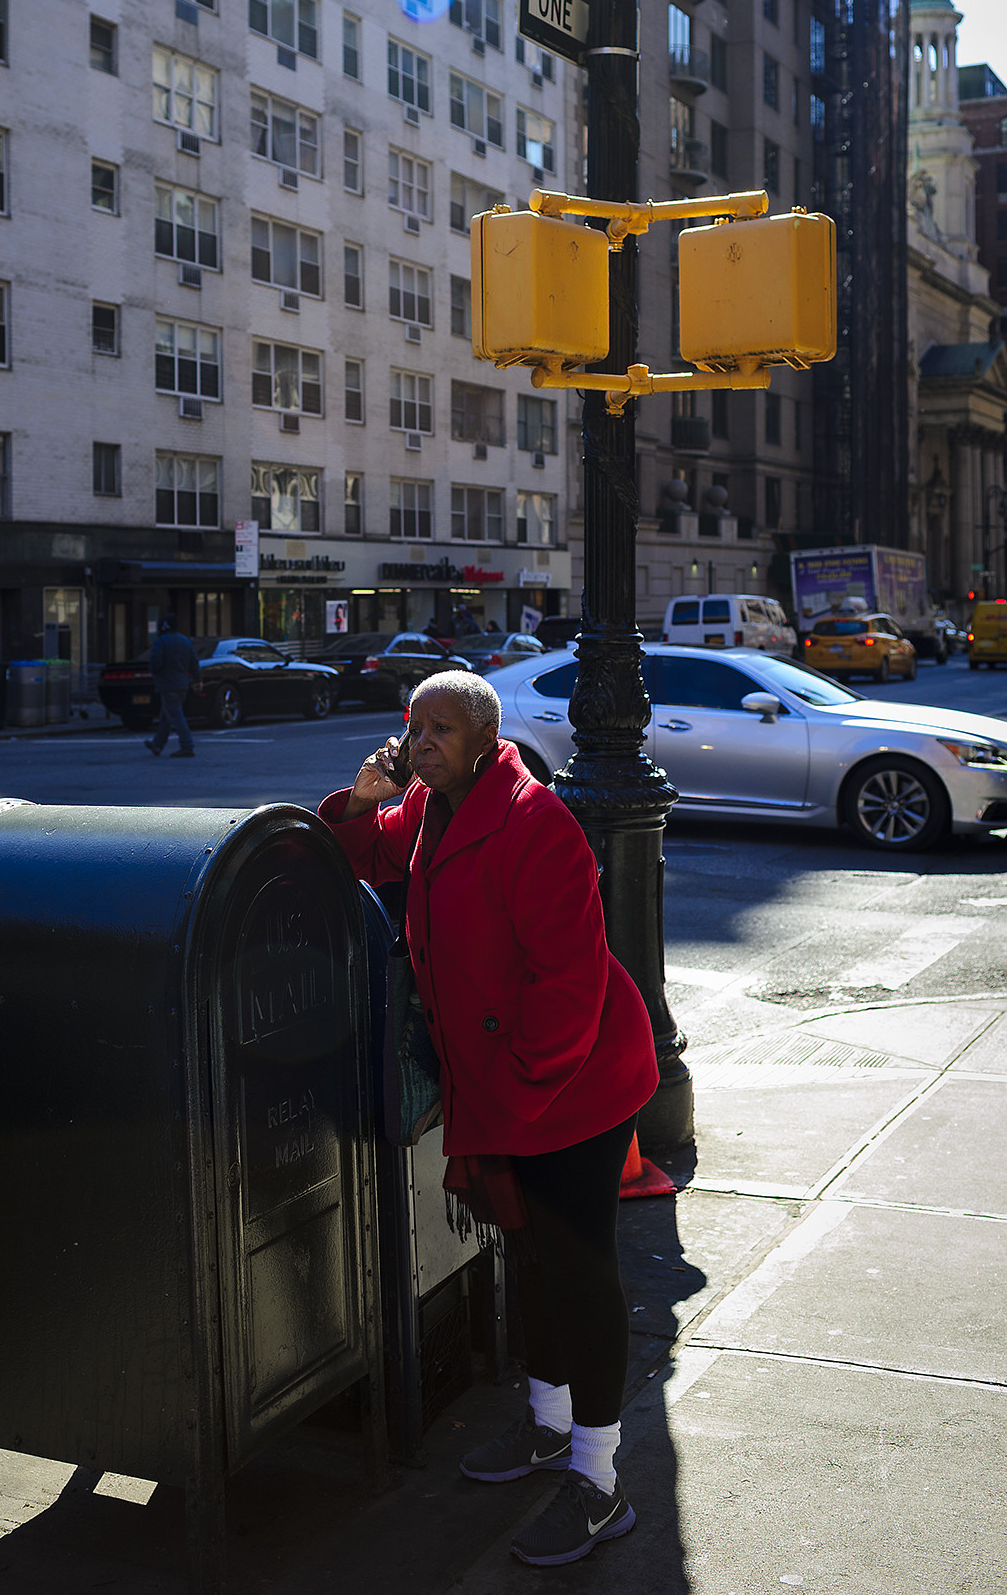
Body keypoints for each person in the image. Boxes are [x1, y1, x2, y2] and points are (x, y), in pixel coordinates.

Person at [319, 670, 658, 1570]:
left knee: (576, 1269)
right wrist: (359, 798)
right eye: (412, 726)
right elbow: (361, 857)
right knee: (528, 1258)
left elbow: (569, 986)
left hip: (570, 1082)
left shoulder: (534, 821)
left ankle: (599, 1480)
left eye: (439, 729)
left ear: (481, 738)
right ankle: (548, 1427)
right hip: (508, 1084)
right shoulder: (431, 809)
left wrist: (506, 1095)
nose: (420, 742)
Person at [144, 614, 199, 758]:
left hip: (167, 684)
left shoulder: (161, 641)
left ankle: (187, 746)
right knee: (166, 716)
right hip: (182, 684)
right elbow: (194, 662)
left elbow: (156, 663)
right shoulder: (185, 641)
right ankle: (157, 744)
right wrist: (197, 679)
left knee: (175, 716)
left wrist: (155, 672)